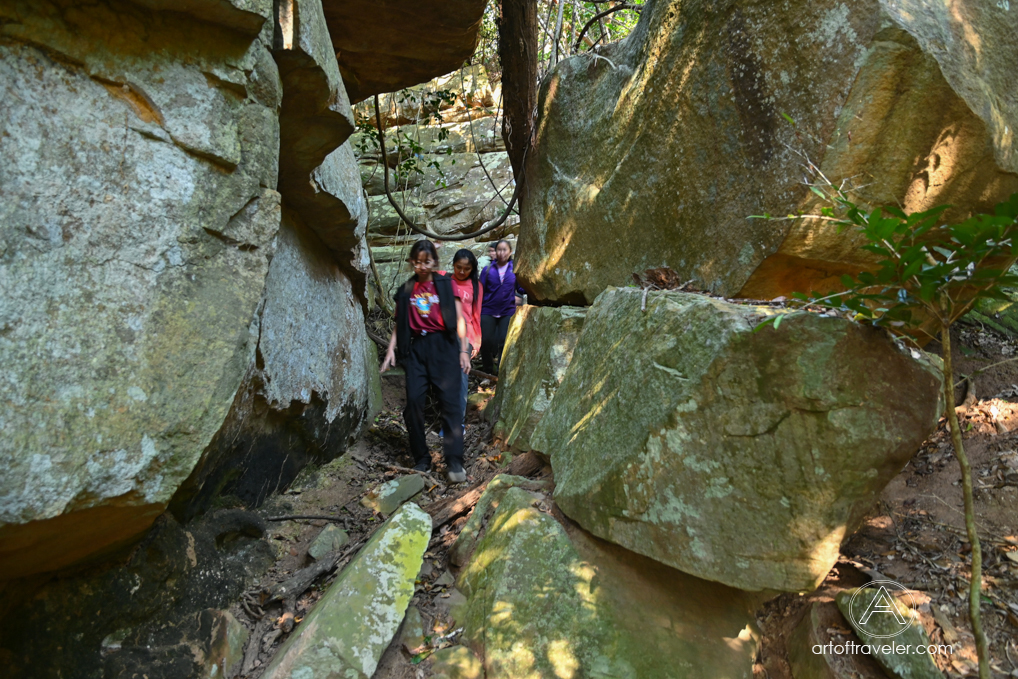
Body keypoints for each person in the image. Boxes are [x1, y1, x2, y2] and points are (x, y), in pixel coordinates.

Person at [381, 240, 471, 482]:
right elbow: (399, 325)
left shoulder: (445, 284)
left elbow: (460, 318)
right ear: (412, 262)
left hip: (444, 346)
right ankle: (422, 459)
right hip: (417, 349)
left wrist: (464, 350)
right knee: (413, 403)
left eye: (427, 261)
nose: (422, 266)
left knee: (450, 404)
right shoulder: (407, 290)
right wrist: (391, 350)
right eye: (418, 262)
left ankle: (454, 463)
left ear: (435, 263)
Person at [479, 239, 524, 375]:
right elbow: (481, 290)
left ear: (510, 252)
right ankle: (488, 368)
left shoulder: (515, 269)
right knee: (486, 340)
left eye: (505, 249)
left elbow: (521, 287)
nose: (502, 252)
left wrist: (521, 296)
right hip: (488, 309)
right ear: (495, 252)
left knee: (504, 340)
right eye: (499, 249)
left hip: (507, 310)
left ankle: (500, 371)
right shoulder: (487, 270)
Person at [449, 249, 483, 425]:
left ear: (473, 268)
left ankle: (457, 422)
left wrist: (476, 341)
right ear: (453, 265)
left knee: (461, 375)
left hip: (466, 336)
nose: (461, 272)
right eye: (458, 267)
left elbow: (476, 315)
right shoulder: (445, 280)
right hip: (445, 333)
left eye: (466, 268)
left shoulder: (476, 286)